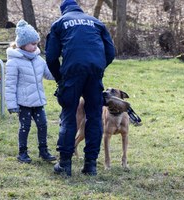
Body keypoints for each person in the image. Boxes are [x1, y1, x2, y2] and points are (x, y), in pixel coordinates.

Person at [45, 0, 115, 176]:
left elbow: (51, 57)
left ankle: (64, 165)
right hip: (94, 72)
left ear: (63, 11)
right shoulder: (97, 23)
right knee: (94, 116)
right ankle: (90, 165)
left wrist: (60, 78)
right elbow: (111, 52)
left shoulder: (59, 24)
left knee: (69, 115)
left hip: (72, 72)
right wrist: (97, 68)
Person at [5, 20, 56, 163]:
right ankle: (22, 153)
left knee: (43, 125)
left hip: (38, 101)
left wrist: (62, 70)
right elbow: (10, 85)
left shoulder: (39, 59)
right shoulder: (13, 62)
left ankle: (43, 151)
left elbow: (49, 74)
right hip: (24, 103)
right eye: (32, 44)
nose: (36, 46)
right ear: (22, 44)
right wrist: (12, 104)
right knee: (25, 127)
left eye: (36, 43)